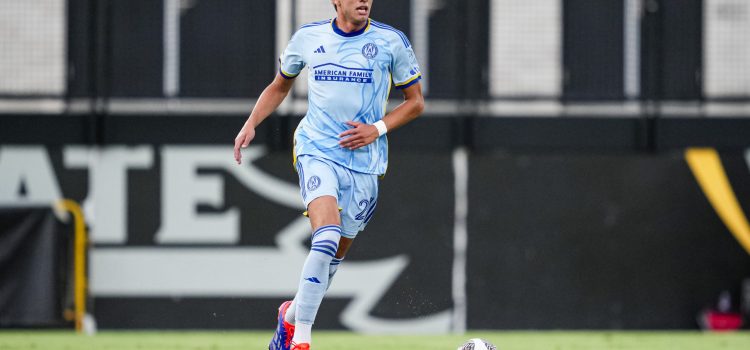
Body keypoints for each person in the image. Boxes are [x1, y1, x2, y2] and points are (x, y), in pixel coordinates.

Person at [233, 1, 423, 349]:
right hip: (316, 149)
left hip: (365, 163)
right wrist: (251, 122)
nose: (364, 1)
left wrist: (377, 129)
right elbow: (280, 84)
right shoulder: (309, 37)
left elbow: (415, 102)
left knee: (333, 256)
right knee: (327, 234)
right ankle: (301, 339)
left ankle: (289, 318)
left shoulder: (390, 41)